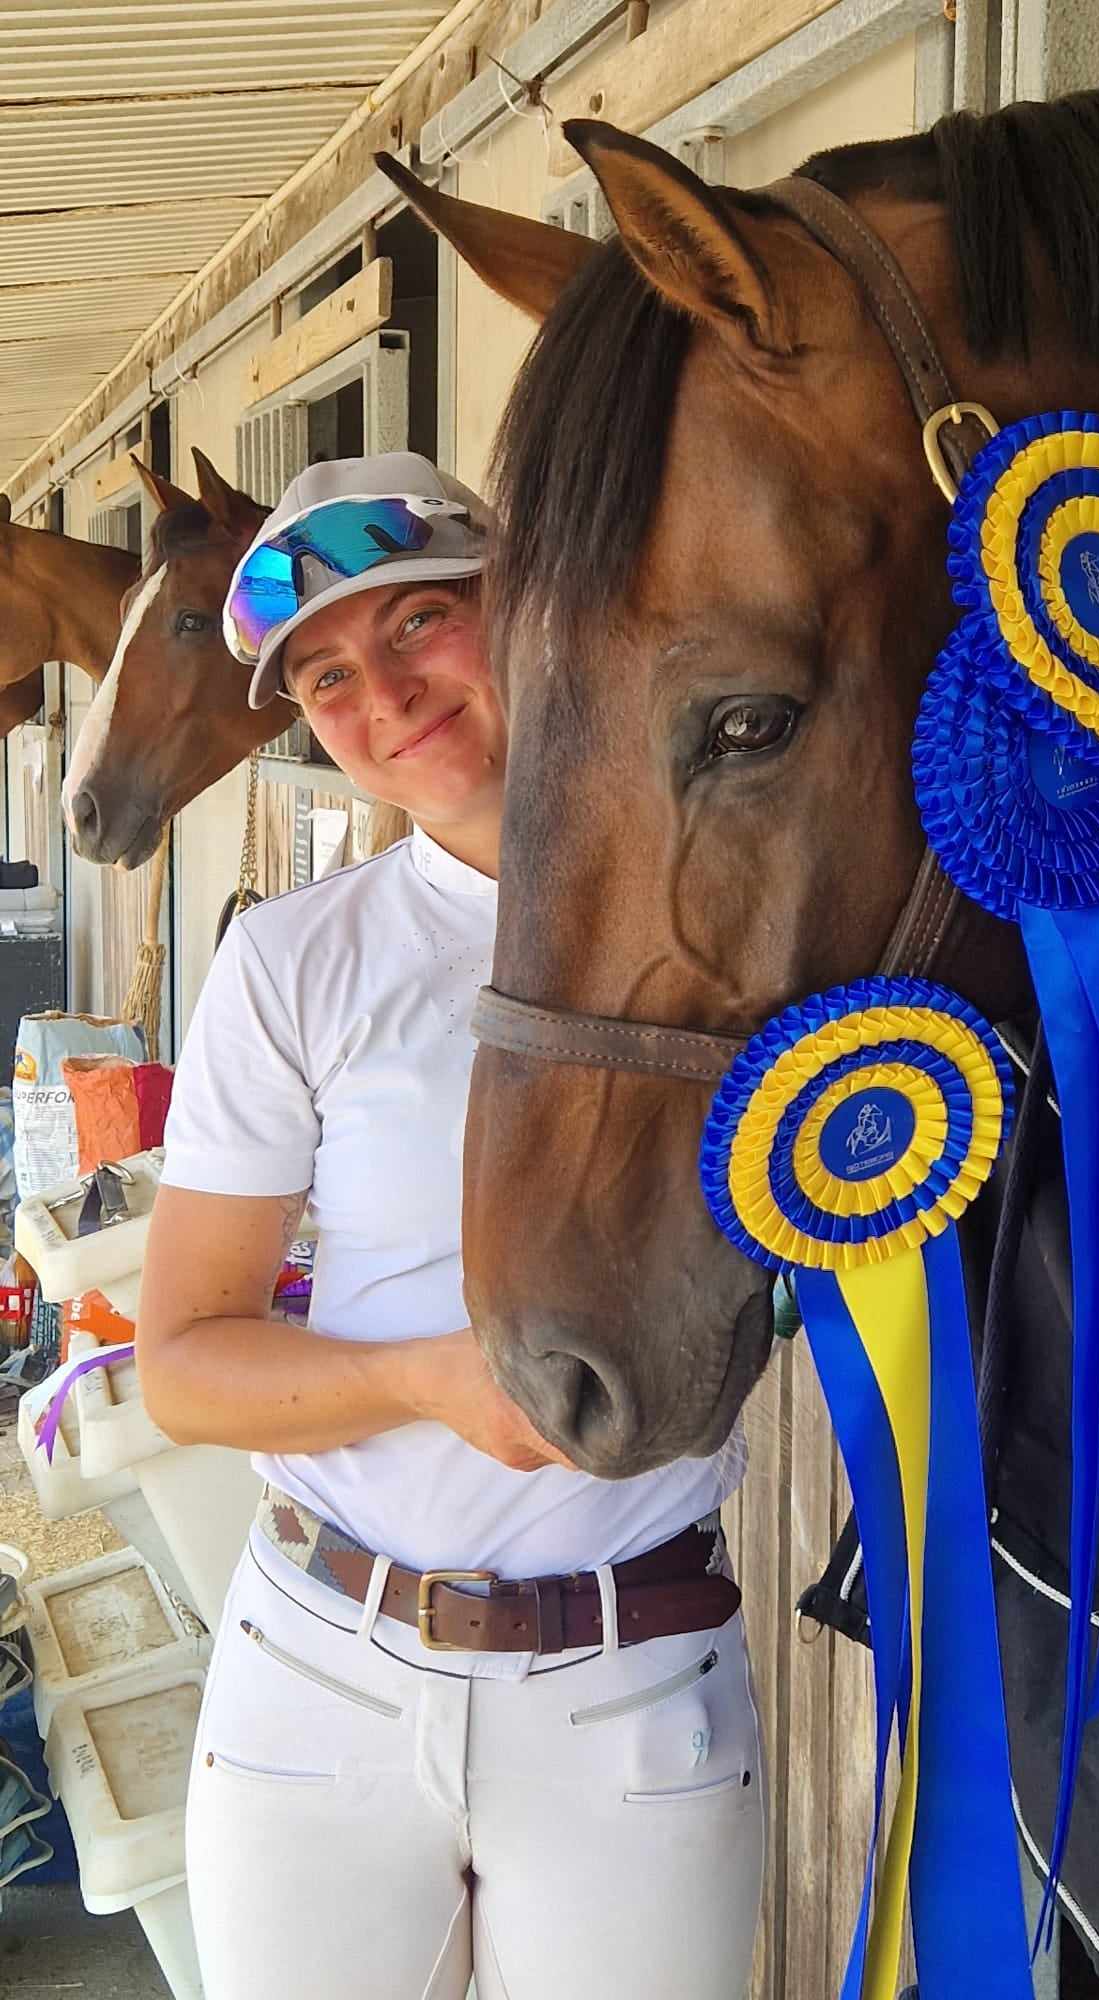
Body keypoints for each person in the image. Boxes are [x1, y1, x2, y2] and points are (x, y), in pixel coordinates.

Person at [136, 453, 763, 2000]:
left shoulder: (735, 895)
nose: (384, 694)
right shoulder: (295, 963)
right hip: (318, 1682)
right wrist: (428, 1382)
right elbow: (182, 1365)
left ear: (526, 605)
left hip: (633, 1684)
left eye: (420, 620)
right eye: (329, 676)